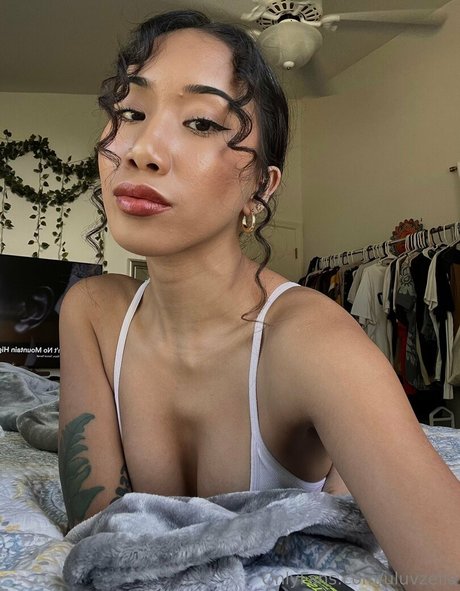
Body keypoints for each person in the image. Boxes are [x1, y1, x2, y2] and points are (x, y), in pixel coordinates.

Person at [58, 9, 460, 588]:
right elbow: (96, 534)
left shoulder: (313, 343)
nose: (142, 149)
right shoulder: (92, 312)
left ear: (261, 187)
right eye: (130, 113)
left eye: (201, 122)